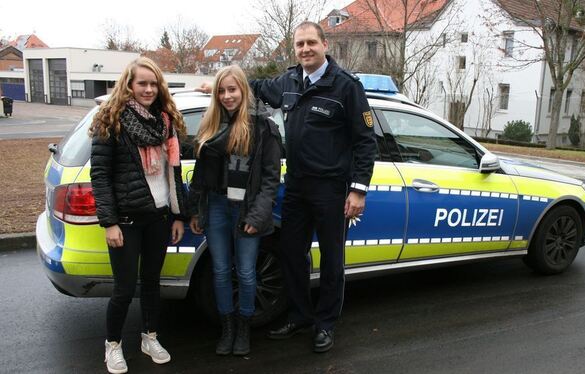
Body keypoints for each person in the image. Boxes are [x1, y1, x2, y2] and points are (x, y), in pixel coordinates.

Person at [198, 21, 376, 352]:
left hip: (332, 190)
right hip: (296, 187)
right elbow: (254, 86)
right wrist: (217, 85)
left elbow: (366, 142)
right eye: (299, 45)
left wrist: (358, 189)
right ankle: (299, 315)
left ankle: (325, 324)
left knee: (332, 261)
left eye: (311, 43)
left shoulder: (347, 87)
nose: (305, 49)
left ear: (325, 45)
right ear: (295, 50)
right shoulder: (290, 81)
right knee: (292, 255)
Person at [89, 57, 187, 374]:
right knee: (124, 288)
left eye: (153, 83)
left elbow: (174, 173)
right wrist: (110, 223)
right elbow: (100, 176)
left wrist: (177, 216)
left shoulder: (165, 121)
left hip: (158, 218)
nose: (148, 89)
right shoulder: (112, 120)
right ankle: (113, 345)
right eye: (141, 83)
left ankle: (150, 337)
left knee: (151, 283)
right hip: (127, 222)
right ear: (129, 85)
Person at [188, 65, 281, 356]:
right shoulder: (210, 124)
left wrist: (257, 216)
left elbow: (270, 178)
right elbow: (200, 176)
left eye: (233, 89)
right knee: (219, 271)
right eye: (222, 91)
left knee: (246, 272)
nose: (228, 96)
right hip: (215, 205)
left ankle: (244, 328)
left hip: (247, 209)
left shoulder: (263, 127)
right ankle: (227, 328)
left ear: (243, 90)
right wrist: (194, 211)